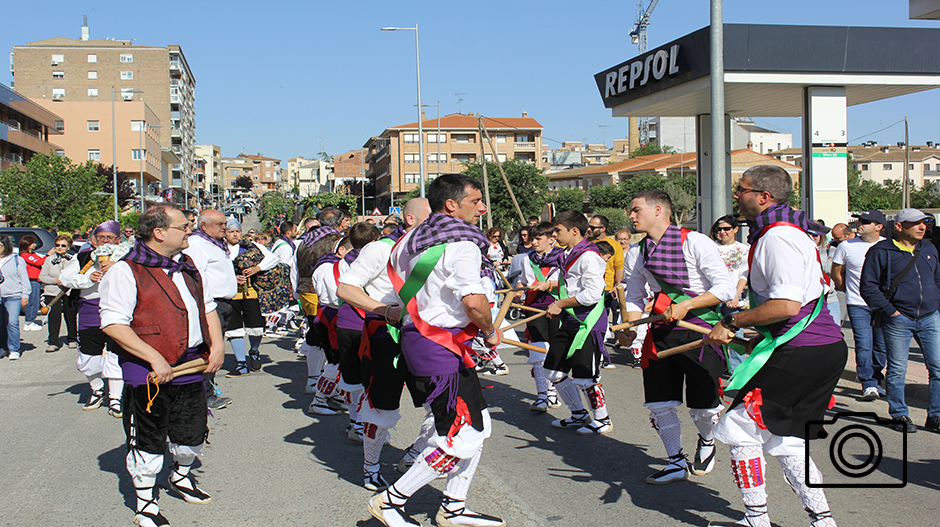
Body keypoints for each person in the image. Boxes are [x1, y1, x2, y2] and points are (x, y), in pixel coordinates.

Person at [706, 165, 847, 527]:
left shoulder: (777, 237)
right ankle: (822, 520)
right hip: (816, 345)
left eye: (742, 190)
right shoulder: (789, 232)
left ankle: (756, 518)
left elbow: (786, 305)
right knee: (787, 436)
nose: (736, 195)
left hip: (802, 349)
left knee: (741, 426)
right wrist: (760, 332)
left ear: (764, 197)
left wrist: (731, 322)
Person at [370, 174, 504, 527]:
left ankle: (454, 507)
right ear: (451, 204)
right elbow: (474, 303)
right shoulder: (463, 244)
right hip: (439, 346)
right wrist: (490, 331)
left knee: (478, 425)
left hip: (424, 341)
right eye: (475, 201)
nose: (483, 207)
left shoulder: (410, 239)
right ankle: (390, 501)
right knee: (463, 433)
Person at [99, 205, 225, 527]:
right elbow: (113, 324)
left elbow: (207, 307)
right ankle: (145, 505)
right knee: (148, 438)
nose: (189, 231)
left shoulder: (187, 264)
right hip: (147, 374)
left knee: (192, 434)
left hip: (191, 365)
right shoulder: (126, 270)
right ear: (159, 233)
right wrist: (155, 357)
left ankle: (180, 476)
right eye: (184, 227)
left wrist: (218, 346)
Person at [621, 190, 735, 484]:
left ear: (658, 210)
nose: (631, 216)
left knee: (704, 407)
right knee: (660, 403)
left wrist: (687, 304)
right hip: (661, 331)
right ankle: (675, 461)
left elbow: (724, 287)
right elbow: (634, 297)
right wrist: (631, 328)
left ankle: (707, 441)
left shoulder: (695, 241)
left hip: (702, 330)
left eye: (636, 210)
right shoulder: (636, 252)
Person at [338, 198, 431, 491]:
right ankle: (371, 467)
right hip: (387, 334)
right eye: (433, 216)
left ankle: (416, 452)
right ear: (411, 219)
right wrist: (384, 310)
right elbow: (346, 288)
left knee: (441, 402)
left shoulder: (437, 251)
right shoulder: (380, 248)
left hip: (427, 335)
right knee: (382, 407)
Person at [860, 208, 940, 433]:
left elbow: (937, 279)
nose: (921, 227)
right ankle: (899, 414)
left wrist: (937, 306)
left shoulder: (929, 248)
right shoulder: (881, 251)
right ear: (899, 226)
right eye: (915, 223)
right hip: (899, 318)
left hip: (930, 317)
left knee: (938, 368)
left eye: (923, 223)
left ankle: (936, 415)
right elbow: (868, 286)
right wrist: (890, 311)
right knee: (897, 369)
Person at [543, 210, 613, 436]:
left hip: (588, 323)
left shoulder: (589, 256)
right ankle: (578, 414)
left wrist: (561, 303)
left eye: (558, 231)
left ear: (574, 231)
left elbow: (593, 294)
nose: (554, 236)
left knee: (585, 376)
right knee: (553, 371)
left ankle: (602, 419)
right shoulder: (568, 254)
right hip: (570, 320)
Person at [60, 221, 125, 416]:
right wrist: (88, 279)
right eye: (101, 238)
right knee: (89, 355)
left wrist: (116, 268)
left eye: (110, 238)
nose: (105, 241)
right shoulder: (82, 258)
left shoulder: (126, 257)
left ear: (118, 240)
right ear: (93, 241)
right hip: (89, 310)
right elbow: (65, 278)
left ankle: (116, 398)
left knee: (116, 354)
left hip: (117, 311)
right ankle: (97, 390)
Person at [831, 209, 888, 401]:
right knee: (864, 344)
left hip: (882, 304)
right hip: (857, 303)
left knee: (881, 345)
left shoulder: (887, 246)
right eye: (859, 220)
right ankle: (868, 383)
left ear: (879, 227)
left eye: (865, 221)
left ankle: (877, 380)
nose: (860, 224)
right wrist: (846, 291)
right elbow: (837, 272)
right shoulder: (846, 246)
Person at [183, 209, 235, 410]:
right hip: (211, 305)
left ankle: (208, 389)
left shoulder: (215, 244)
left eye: (225, 223)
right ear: (203, 226)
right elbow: (196, 277)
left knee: (213, 348)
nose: (225, 227)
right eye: (219, 224)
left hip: (222, 304)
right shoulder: (197, 244)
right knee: (209, 350)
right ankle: (205, 394)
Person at [514, 221, 562, 411]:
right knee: (538, 351)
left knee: (555, 352)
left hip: (558, 308)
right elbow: (523, 281)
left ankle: (553, 393)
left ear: (552, 239)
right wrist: (518, 292)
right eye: (532, 238)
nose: (533, 242)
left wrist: (549, 284)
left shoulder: (563, 257)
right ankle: (542, 395)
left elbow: (570, 282)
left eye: (538, 238)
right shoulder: (527, 259)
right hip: (533, 309)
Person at [223, 217, 278, 377]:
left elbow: (273, 258)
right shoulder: (218, 248)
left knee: (256, 326)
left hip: (251, 292)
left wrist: (257, 268)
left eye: (237, 231)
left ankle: (254, 351)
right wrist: (233, 276)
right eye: (231, 231)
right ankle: (241, 363)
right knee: (234, 328)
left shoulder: (252, 246)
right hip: (230, 294)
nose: (235, 234)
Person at [587, 215, 625, 362]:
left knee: (614, 319)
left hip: (610, 290)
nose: (589, 229)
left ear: (603, 229)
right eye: (589, 226)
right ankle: (598, 353)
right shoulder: (585, 243)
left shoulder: (614, 245)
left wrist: (617, 285)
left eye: (593, 227)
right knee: (596, 323)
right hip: (594, 290)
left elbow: (619, 267)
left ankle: (609, 346)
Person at [38, 235, 78, 352]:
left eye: (63, 245)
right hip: (52, 291)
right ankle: (53, 342)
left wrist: (69, 281)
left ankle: (72, 338)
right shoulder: (49, 259)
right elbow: (42, 276)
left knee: (70, 316)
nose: (60, 248)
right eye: (57, 245)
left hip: (69, 291)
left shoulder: (73, 259)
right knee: (54, 317)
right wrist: (54, 280)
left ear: (68, 247)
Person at [0, 235, 30, 360]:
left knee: (12, 322)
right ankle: (2, 347)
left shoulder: (16, 259)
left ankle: (14, 348)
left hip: (13, 295)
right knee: (1, 323)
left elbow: (24, 278)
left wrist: (25, 295)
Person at [19, 235, 45, 332]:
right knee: (32, 301)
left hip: (37, 279)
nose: (34, 245)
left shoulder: (33, 254)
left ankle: (31, 320)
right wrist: (48, 255)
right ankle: (28, 322)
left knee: (36, 301)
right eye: (32, 243)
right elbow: (39, 262)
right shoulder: (25, 255)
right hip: (31, 279)